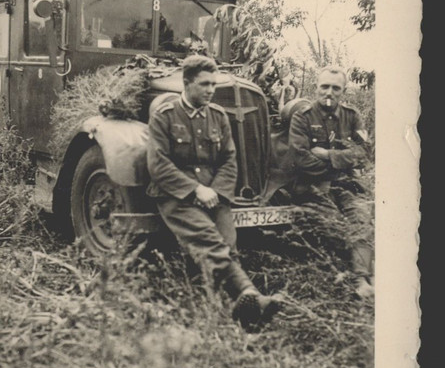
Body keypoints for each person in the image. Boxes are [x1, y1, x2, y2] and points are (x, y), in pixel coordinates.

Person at [147, 55, 282, 331]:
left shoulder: (218, 116)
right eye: (204, 84)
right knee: (210, 241)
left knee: (228, 243)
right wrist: (195, 189)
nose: (211, 90)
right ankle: (251, 296)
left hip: (213, 194)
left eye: (213, 84)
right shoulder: (165, 115)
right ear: (186, 83)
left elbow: (229, 160)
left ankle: (242, 309)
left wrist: (217, 193)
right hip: (175, 194)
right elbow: (158, 164)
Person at [288, 66, 374, 299]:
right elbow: (302, 159)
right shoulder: (302, 117)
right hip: (312, 186)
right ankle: (359, 279)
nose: (329, 92)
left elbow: (363, 153)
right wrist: (343, 161)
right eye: (324, 86)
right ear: (316, 88)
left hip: (345, 184)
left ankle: (361, 278)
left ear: (343, 91)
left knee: (361, 220)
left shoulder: (352, 116)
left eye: (335, 88)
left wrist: (327, 155)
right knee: (335, 226)